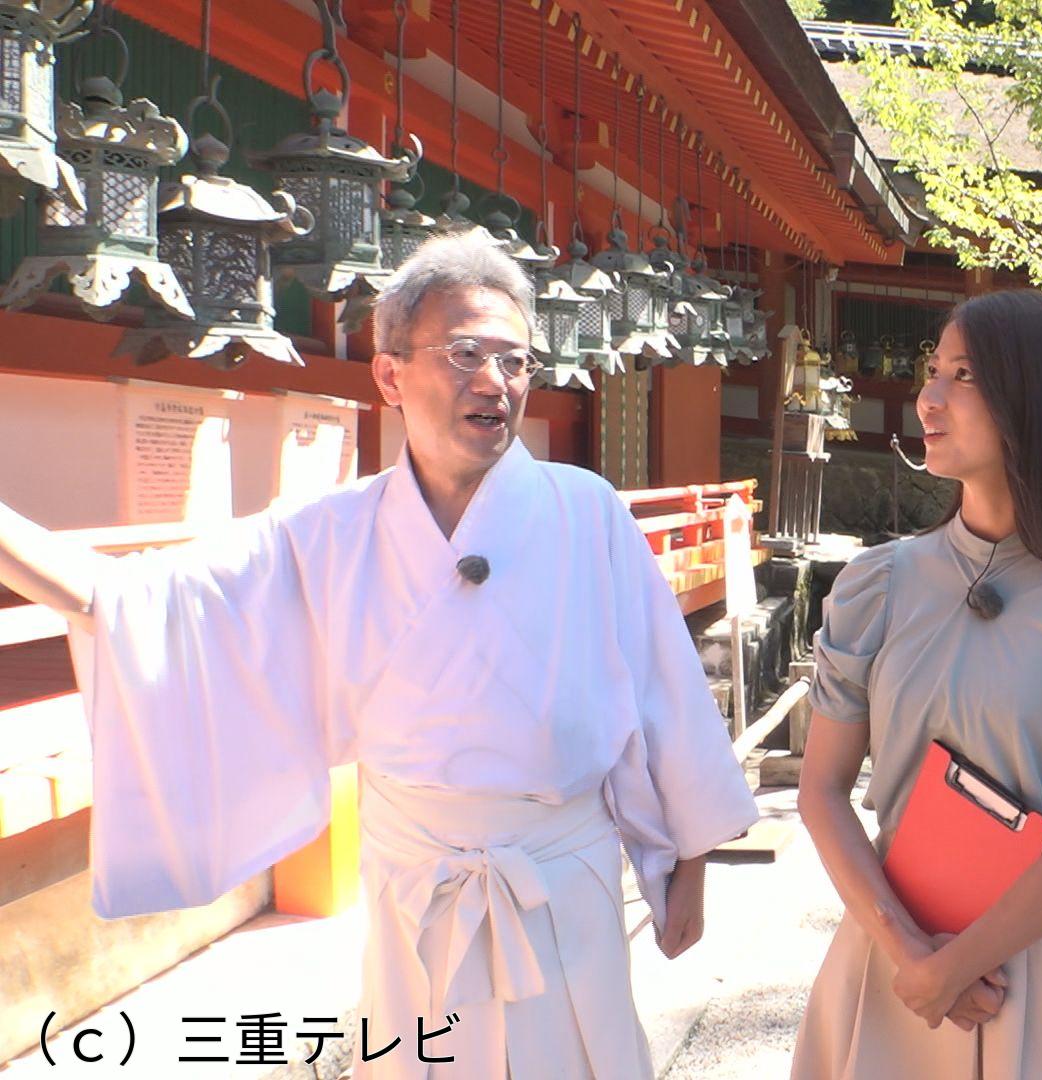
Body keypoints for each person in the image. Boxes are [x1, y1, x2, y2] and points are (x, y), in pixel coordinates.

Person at [0, 229, 759, 1080]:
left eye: (516, 362)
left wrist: (687, 861)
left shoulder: (588, 512)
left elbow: (664, 692)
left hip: (561, 882)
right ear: (391, 373)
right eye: (465, 353)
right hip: (418, 890)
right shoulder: (330, 533)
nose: (495, 383)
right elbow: (136, 603)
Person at [789, 289, 1042, 1079]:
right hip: (893, 957)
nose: (927, 398)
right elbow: (820, 791)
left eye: (962, 375)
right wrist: (914, 954)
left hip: (1040, 964)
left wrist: (958, 963)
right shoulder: (878, 584)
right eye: (931, 372)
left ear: (1036, 397)